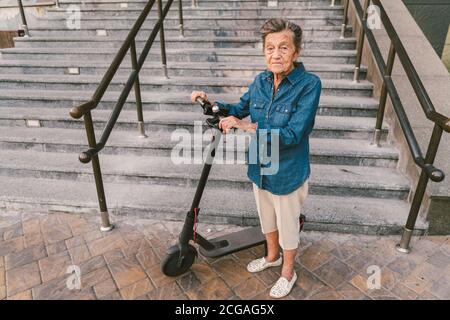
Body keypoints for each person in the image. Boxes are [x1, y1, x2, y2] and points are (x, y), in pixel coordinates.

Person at [190, 18, 322, 298]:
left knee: (288, 227)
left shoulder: (309, 84)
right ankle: (271, 256)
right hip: (260, 166)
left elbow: (293, 133)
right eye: (270, 48)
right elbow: (238, 108)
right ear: (264, 51)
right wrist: (210, 102)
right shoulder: (261, 81)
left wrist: (248, 127)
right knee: (267, 220)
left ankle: (288, 271)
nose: (276, 54)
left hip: (287, 172)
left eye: (284, 48)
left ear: (296, 52)